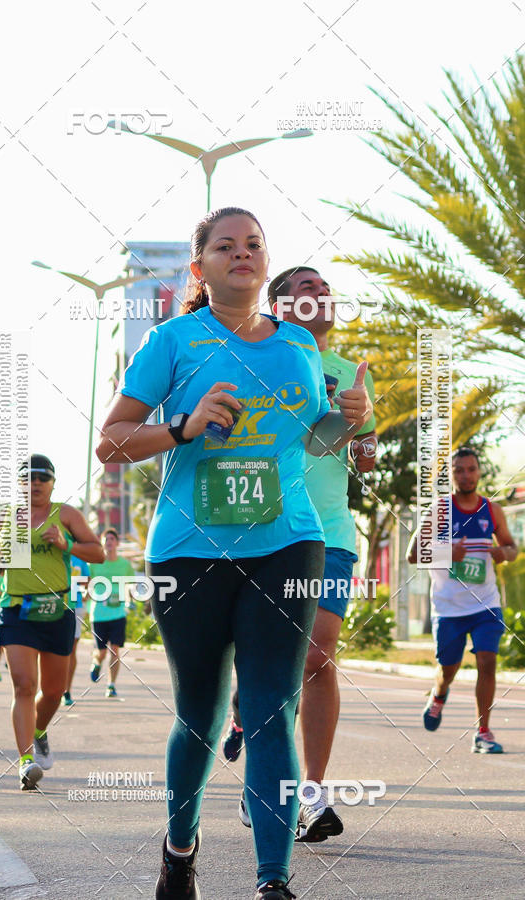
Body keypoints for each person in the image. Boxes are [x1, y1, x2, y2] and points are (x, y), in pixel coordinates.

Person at [97, 208, 372, 900]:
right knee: (200, 713)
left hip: (288, 541)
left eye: (254, 244)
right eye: (226, 246)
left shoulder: (298, 349)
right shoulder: (172, 341)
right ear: (201, 268)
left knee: (271, 704)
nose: (242, 254)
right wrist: (184, 428)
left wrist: (350, 419)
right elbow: (112, 440)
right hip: (191, 549)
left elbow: (314, 444)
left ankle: (273, 882)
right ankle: (179, 849)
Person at [223, 266, 378, 843]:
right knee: (269, 663)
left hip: (328, 533)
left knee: (317, 655)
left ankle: (309, 794)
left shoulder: (348, 373)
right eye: (305, 289)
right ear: (279, 306)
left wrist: (359, 424)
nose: (320, 295)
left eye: (324, 288)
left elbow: (361, 459)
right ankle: (257, 758)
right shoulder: (253, 359)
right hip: (259, 530)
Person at [0, 454, 104, 791]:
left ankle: (39, 732)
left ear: (52, 483)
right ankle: (25, 762)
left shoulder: (66, 514)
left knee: (53, 692)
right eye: (28, 477)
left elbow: (98, 553)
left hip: (57, 609)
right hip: (17, 609)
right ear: (19, 483)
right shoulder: (5, 517)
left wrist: (67, 544)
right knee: (23, 683)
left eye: (42, 477)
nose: (35, 483)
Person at [407, 447, 517, 753]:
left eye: (471, 469)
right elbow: (412, 554)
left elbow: (512, 547)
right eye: (459, 470)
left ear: (479, 472)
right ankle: (439, 695)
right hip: (448, 607)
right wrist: (446, 553)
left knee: (487, 661)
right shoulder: (438, 510)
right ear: (451, 474)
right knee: (448, 670)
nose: (466, 475)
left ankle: (483, 731)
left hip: (485, 604)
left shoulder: (492, 510)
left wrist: (502, 553)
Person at [88, 529, 134, 698]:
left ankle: (111, 685)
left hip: (118, 614)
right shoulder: (94, 564)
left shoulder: (125, 565)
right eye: (106, 538)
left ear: (117, 543)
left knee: (115, 650)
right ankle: (96, 662)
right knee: (101, 652)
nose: (109, 541)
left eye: (112, 538)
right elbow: (87, 584)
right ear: (102, 543)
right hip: (99, 614)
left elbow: (131, 585)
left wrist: (131, 599)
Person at [62, 554, 90, 706]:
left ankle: (67, 690)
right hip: (56, 604)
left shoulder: (80, 556)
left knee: (71, 648)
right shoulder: (55, 551)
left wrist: (75, 583)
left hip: (76, 605)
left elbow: (88, 579)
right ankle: (47, 688)